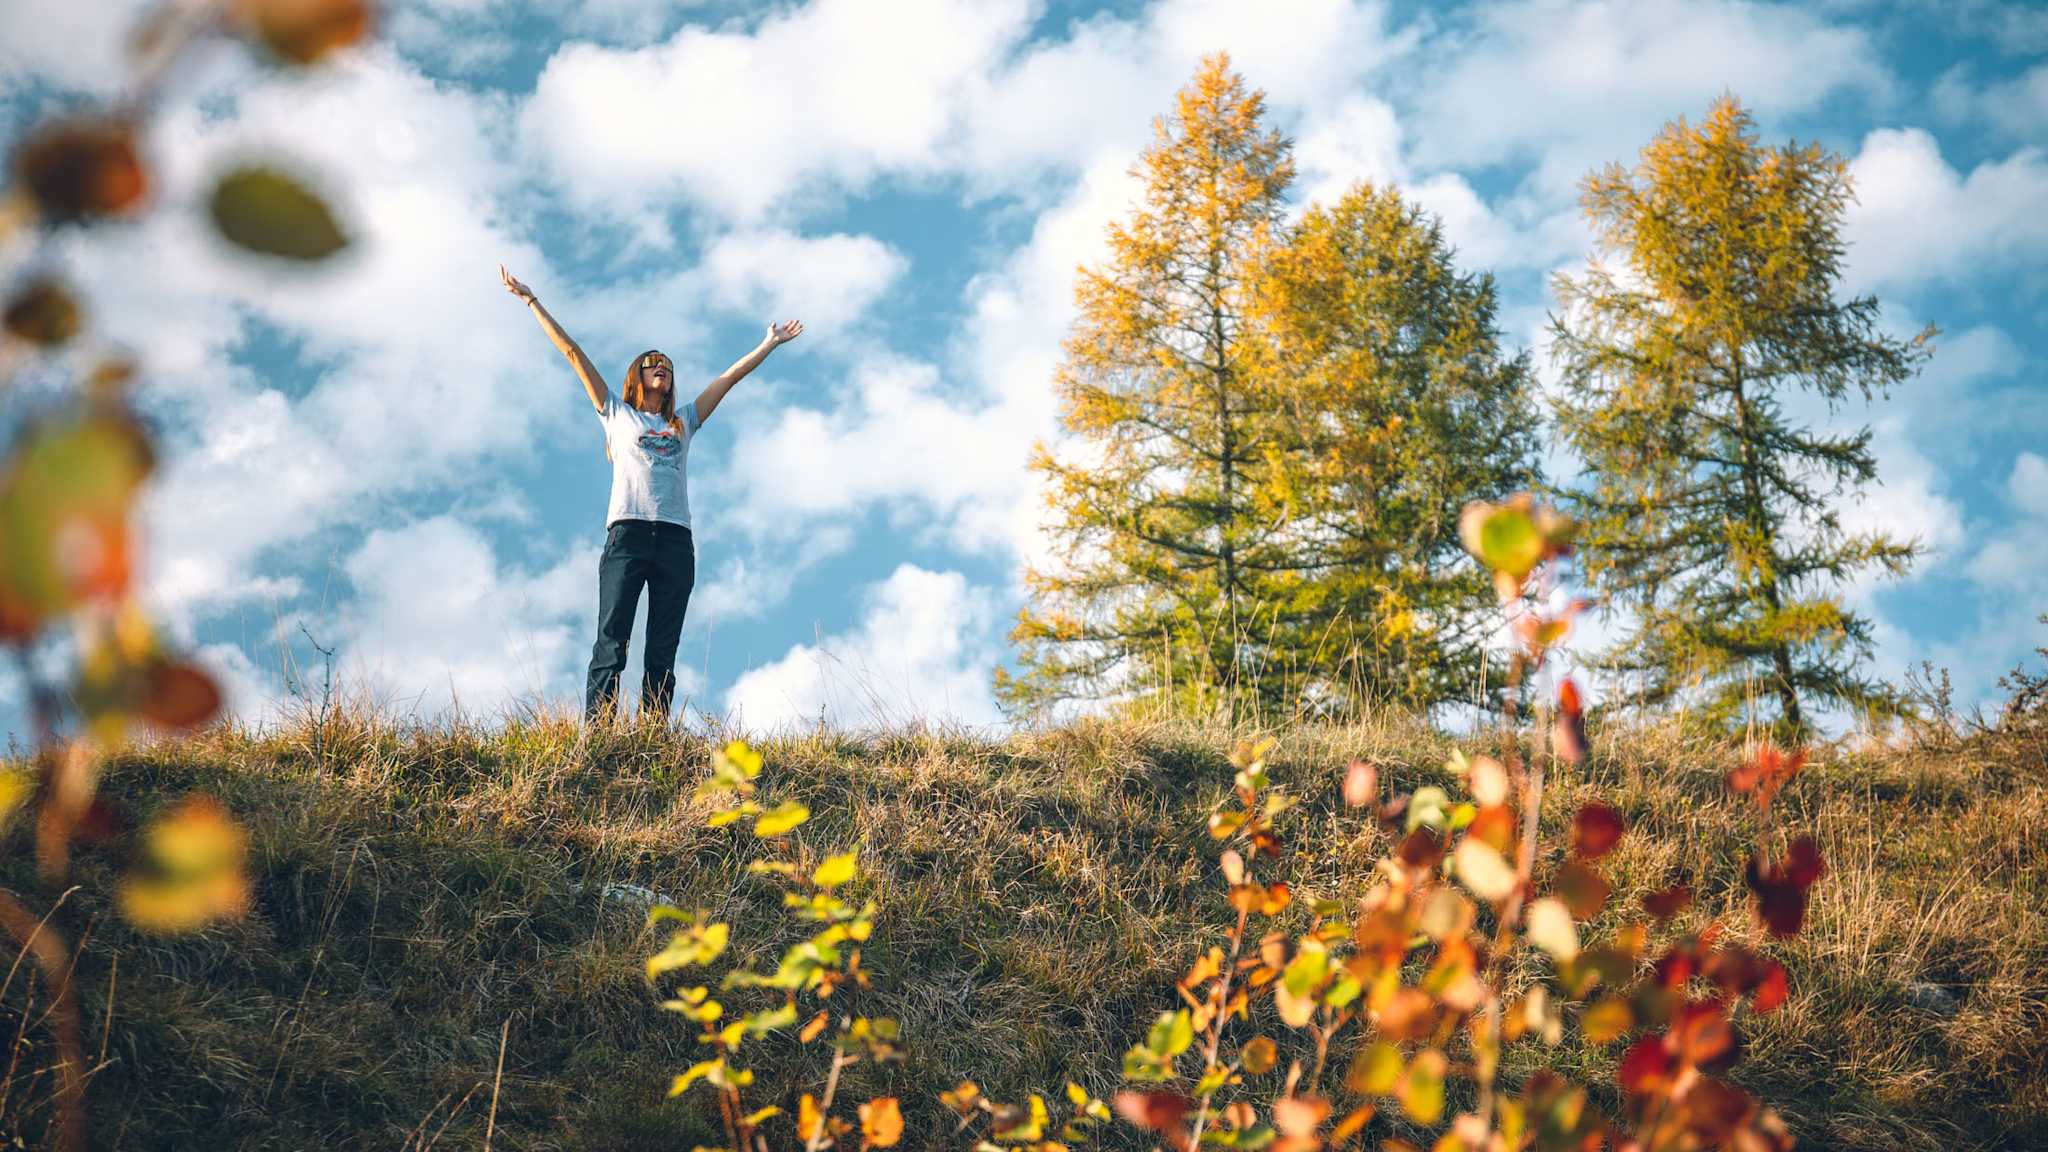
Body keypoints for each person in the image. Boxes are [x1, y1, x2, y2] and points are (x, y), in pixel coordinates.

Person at [499, 264, 802, 723]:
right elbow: (572, 353)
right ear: (636, 376)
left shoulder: (684, 422)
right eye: (651, 363)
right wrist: (531, 300)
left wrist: (769, 343)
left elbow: (729, 378)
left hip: (676, 541)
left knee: (663, 646)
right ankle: (599, 732)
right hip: (629, 534)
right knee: (613, 638)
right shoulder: (616, 414)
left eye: (667, 365)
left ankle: (653, 736)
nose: (661, 367)